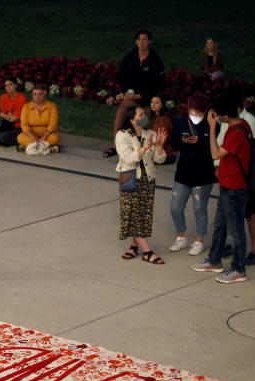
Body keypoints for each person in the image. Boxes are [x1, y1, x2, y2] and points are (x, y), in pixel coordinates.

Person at [192, 94, 252, 283]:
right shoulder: (239, 125)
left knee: (235, 230)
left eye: (218, 115)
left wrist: (211, 128)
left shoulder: (237, 132)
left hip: (235, 188)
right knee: (220, 226)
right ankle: (215, 260)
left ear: (225, 116)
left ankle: (239, 269)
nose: (216, 118)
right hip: (227, 186)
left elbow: (215, 152)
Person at [215, 93, 255, 264]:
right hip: (230, 174)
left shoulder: (248, 123)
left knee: (250, 212)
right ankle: (229, 248)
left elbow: (253, 151)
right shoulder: (231, 122)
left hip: (246, 177)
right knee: (230, 216)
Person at [115, 103, 168, 264]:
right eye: (140, 115)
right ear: (131, 120)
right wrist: (145, 148)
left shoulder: (150, 133)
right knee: (133, 214)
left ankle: (134, 246)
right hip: (131, 178)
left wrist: (159, 147)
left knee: (143, 215)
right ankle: (147, 252)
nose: (144, 118)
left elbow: (160, 159)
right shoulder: (122, 135)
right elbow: (128, 158)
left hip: (147, 180)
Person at [168, 94, 217, 256]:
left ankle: (199, 241)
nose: (195, 116)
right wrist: (183, 141)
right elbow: (172, 141)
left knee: (199, 209)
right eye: (192, 112)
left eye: (198, 113)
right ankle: (181, 237)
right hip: (183, 173)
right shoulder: (182, 122)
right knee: (175, 207)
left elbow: (215, 146)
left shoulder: (211, 125)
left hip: (203, 175)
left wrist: (200, 141)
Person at [103, 29, 164, 158]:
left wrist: (141, 96)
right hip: (132, 97)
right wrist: (127, 92)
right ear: (136, 42)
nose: (142, 43)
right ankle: (116, 145)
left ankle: (139, 147)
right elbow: (122, 76)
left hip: (146, 98)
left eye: (145, 39)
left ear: (149, 41)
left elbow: (157, 85)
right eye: (140, 40)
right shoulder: (130, 57)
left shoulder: (155, 60)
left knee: (143, 120)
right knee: (121, 112)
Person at [17, 85, 60, 153]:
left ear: (44, 94)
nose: (37, 97)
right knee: (20, 137)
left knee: (55, 138)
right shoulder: (26, 107)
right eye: (34, 94)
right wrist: (33, 137)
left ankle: (28, 148)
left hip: (47, 135)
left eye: (40, 94)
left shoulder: (52, 106)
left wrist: (44, 137)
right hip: (31, 135)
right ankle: (49, 149)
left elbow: (53, 124)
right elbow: (24, 125)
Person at [0, 76, 26, 147]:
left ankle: (19, 138)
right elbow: (6, 116)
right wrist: (7, 116)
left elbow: (16, 119)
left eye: (10, 84)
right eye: (6, 85)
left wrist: (3, 115)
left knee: (3, 139)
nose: (8, 87)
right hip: (7, 124)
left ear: (16, 85)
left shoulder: (22, 99)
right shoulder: (3, 97)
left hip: (18, 125)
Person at [146, 95, 175, 162]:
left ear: (162, 105)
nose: (153, 105)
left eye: (156, 103)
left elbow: (160, 140)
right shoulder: (152, 117)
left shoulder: (165, 119)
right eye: (152, 102)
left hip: (165, 154)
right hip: (154, 149)